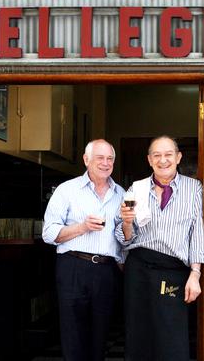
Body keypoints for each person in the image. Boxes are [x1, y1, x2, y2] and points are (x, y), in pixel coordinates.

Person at [116, 136, 204, 361]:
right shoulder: (136, 189)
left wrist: (195, 273)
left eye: (168, 155)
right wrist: (126, 222)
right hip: (139, 268)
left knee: (171, 333)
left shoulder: (194, 188)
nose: (163, 160)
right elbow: (125, 239)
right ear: (149, 160)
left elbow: (197, 232)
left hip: (173, 270)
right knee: (138, 332)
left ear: (178, 157)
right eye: (157, 155)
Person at [42, 139, 124, 361]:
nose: (106, 163)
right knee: (73, 334)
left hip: (106, 271)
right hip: (73, 268)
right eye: (100, 158)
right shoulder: (66, 190)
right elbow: (48, 234)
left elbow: (123, 238)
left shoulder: (122, 194)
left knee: (101, 336)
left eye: (110, 159)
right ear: (86, 160)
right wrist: (82, 227)